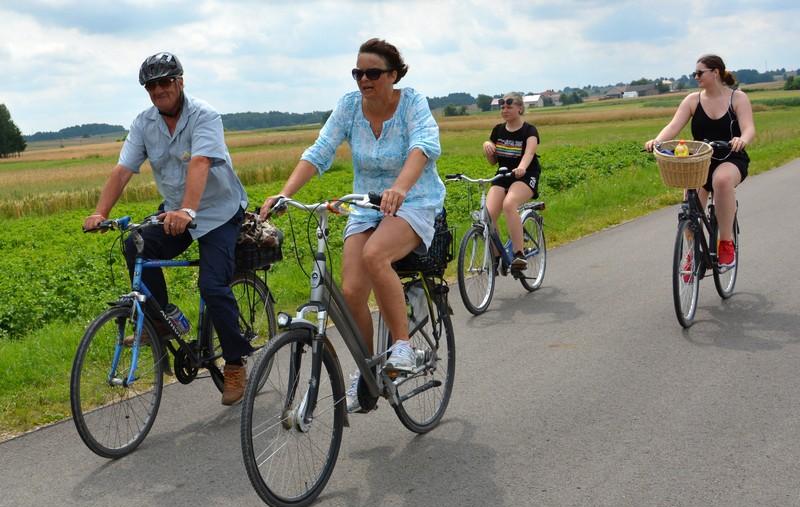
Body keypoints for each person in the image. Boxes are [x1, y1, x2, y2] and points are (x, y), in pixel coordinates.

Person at [259, 38, 445, 413]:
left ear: (393, 75)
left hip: (414, 201)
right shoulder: (349, 106)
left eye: (372, 73)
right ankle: (367, 367)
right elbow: (320, 151)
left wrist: (400, 188)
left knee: (376, 255)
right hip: (364, 207)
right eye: (358, 73)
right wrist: (284, 193)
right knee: (351, 291)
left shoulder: (411, 103)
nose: (364, 80)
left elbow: (423, 147)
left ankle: (403, 346)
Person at [82, 52, 252, 406]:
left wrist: (189, 210)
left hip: (219, 212)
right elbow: (123, 170)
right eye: (151, 85)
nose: (158, 90)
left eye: (165, 82)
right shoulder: (144, 124)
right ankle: (161, 322)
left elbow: (200, 162)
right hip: (176, 212)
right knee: (136, 244)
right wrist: (100, 212)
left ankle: (235, 362)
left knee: (212, 285)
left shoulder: (204, 115)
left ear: (180, 82)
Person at [645, 54, 755, 268]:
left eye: (699, 73)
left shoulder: (737, 98)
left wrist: (742, 140)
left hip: (731, 157)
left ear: (715, 72)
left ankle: (726, 243)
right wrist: (657, 141)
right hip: (700, 161)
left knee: (722, 181)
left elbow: (749, 128)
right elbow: (673, 126)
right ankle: (692, 251)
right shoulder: (692, 100)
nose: (696, 77)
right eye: (694, 73)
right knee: (689, 207)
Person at [482, 92, 541, 271]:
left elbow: (529, 153)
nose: (505, 110)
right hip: (503, 175)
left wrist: (521, 167)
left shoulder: (529, 130)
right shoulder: (498, 130)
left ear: (520, 108)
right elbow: (493, 161)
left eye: (509, 106)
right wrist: (487, 147)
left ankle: (518, 254)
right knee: (488, 214)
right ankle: (497, 256)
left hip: (525, 175)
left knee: (509, 204)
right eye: (502, 107)